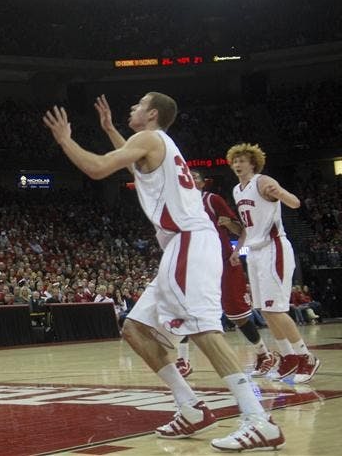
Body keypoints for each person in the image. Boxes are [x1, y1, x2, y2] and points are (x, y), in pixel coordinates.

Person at [44, 92, 284, 452]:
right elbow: (133, 167)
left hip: (189, 239)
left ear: (153, 113)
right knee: (135, 329)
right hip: (181, 244)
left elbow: (97, 168)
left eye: (139, 104)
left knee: (203, 330)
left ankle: (258, 420)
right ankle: (191, 407)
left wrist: (65, 140)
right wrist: (109, 130)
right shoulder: (154, 146)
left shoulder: (149, 138)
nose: (132, 107)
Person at [171, 169, 278, 379]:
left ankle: (264, 354)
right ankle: (183, 360)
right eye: (187, 177)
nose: (190, 180)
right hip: (197, 265)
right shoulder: (180, 206)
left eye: (195, 178)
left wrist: (235, 246)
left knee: (237, 315)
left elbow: (242, 229)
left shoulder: (212, 200)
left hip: (224, 262)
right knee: (184, 309)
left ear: (203, 183)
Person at [227, 142, 320, 384]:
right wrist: (237, 249)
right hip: (254, 253)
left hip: (273, 248)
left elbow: (295, 203)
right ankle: (289, 357)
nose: (237, 164)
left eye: (242, 161)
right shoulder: (237, 190)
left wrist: (280, 193)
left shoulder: (263, 181)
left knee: (276, 310)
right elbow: (248, 227)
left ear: (253, 164)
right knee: (266, 311)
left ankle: (306, 357)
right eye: (235, 161)